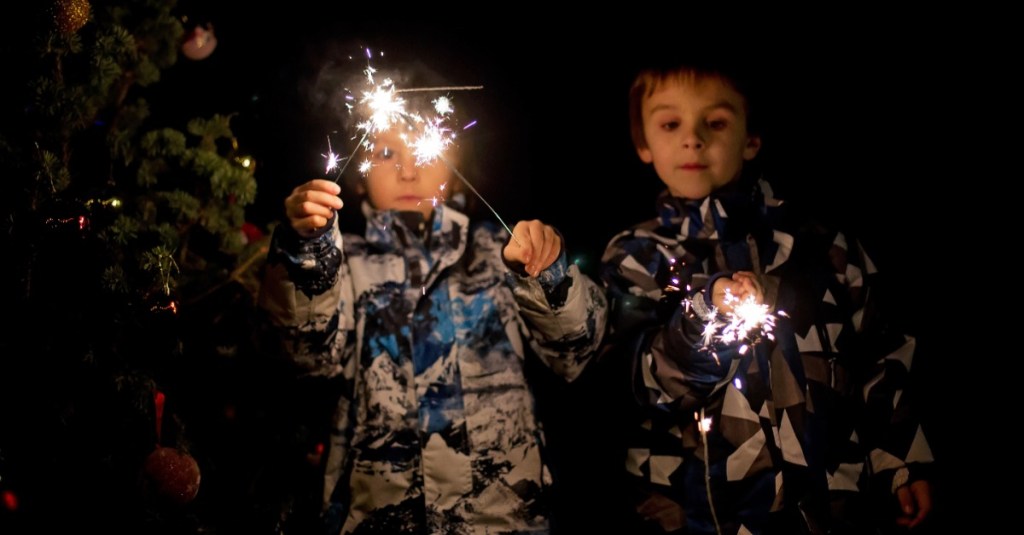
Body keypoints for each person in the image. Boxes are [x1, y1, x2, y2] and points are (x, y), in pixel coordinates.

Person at [256, 62, 607, 534]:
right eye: (385, 152)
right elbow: (305, 359)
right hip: (378, 519)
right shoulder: (348, 263)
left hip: (501, 519)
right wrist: (308, 254)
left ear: (457, 165)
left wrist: (550, 275)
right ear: (359, 172)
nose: (407, 170)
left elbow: (575, 355)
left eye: (425, 149)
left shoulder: (498, 255)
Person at [597, 56, 934, 534]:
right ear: (643, 143)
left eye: (715, 122)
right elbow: (638, 384)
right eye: (671, 123)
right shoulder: (637, 258)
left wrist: (901, 459)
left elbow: (879, 352)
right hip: (697, 514)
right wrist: (705, 314)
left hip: (829, 508)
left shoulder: (821, 249)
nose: (693, 138)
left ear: (751, 138)